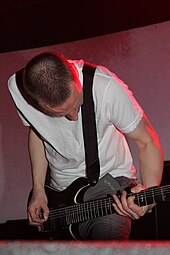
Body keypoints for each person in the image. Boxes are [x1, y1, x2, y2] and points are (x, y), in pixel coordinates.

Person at [8, 51, 163, 240]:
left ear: (75, 78)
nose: (73, 117)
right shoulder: (17, 89)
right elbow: (38, 133)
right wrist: (39, 191)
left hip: (109, 184)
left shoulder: (106, 88)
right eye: (61, 114)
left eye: (76, 105)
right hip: (59, 197)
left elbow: (147, 141)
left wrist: (149, 193)